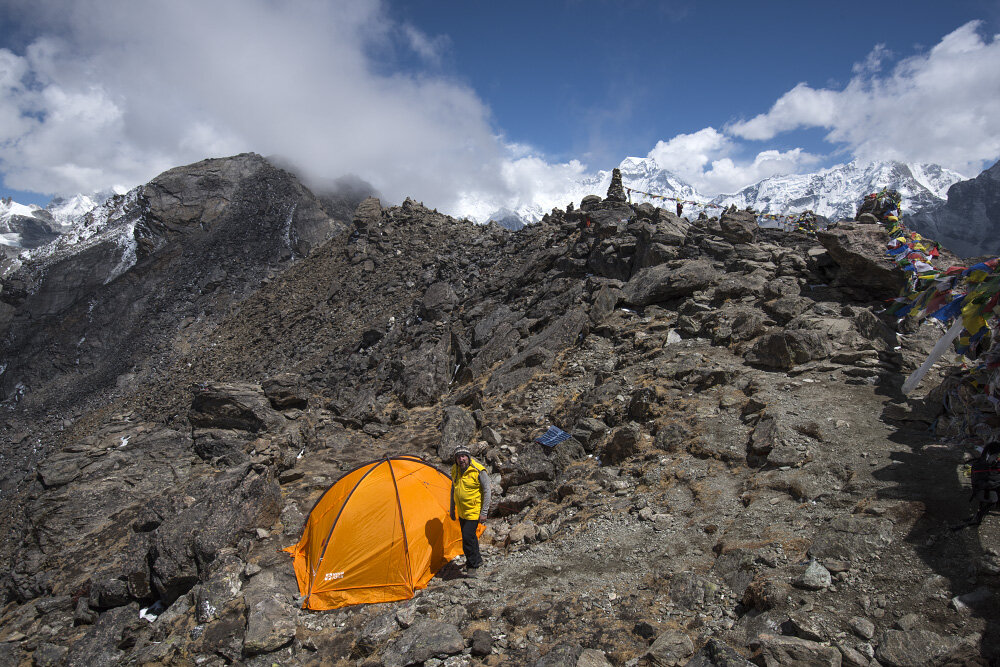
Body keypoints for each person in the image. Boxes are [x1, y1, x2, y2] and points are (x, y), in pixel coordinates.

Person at [449, 447, 492, 575]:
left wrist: (484, 512)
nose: (461, 459)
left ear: (468, 457)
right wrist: (452, 509)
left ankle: (472, 565)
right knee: (472, 537)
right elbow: (454, 488)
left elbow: (487, 491)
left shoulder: (478, 470)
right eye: (458, 457)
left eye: (463, 456)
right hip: (462, 511)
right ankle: (477, 559)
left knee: (467, 538)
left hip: (473, 511)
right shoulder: (455, 469)